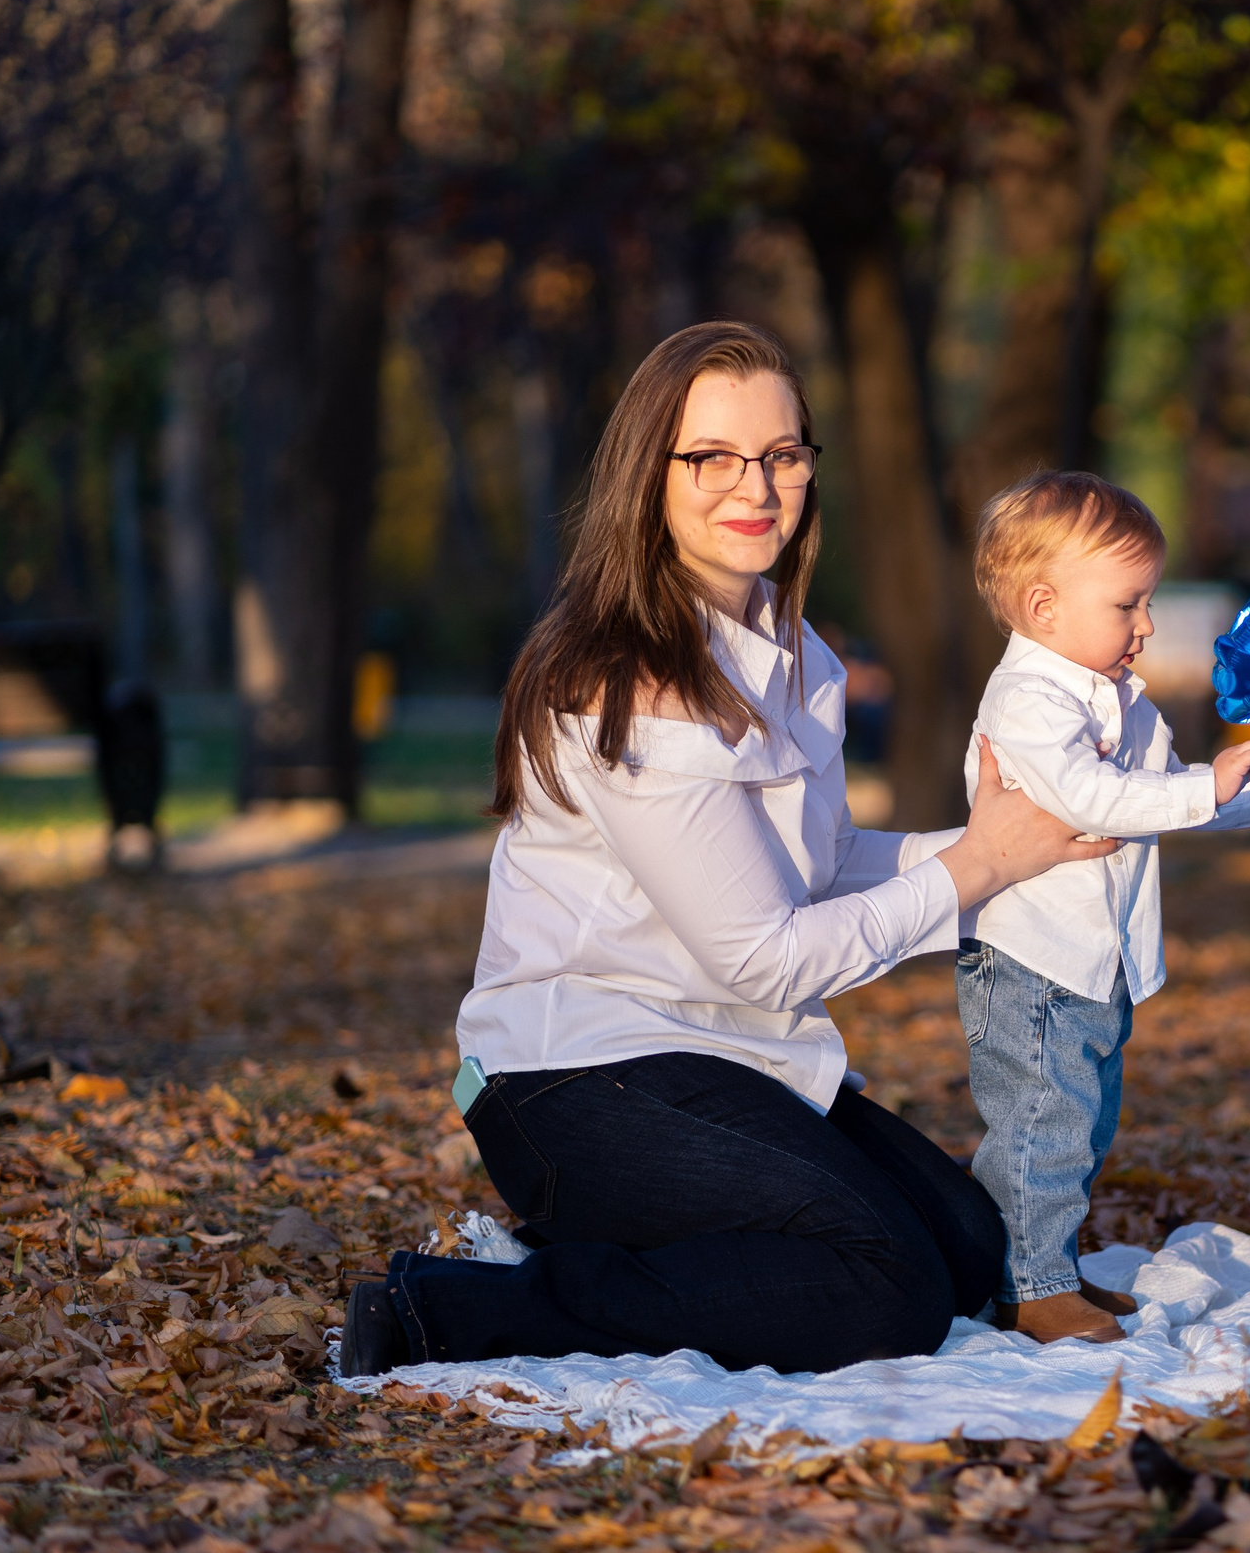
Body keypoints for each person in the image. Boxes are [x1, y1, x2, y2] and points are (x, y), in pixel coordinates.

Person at [337, 322, 1118, 1376]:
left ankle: (658, 1244)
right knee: (887, 1288)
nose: (753, 484)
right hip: (578, 1075)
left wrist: (1015, 847)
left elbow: (818, 861)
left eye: (783, 454)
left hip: (724, 1056)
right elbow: (767, 956)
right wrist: (979, 867)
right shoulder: (625, 674)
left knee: (970, 1249)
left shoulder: (795, 655)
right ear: (647, 474)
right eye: (710, 456)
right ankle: (452, 1308)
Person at [956, 472, 1250, 1344]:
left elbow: (1162, 795)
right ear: (1044, 605)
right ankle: (1030, 1287)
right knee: (1040, 1127)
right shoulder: (1027, 700)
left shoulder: (1118, 698)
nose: (1147, 623)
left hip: (1094, 963)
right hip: (1033, 961)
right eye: (1129, 603)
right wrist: (1202, 789)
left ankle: (1048, 1268)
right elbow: (1088, 799)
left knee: (1083, 1125)